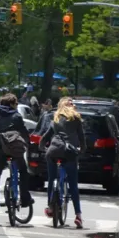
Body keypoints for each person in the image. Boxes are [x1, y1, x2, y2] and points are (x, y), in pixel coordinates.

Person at [0, 93, 33, 224]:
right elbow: (23, 133)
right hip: (15, 152)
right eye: (16, 104)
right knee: (23, 171)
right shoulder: (16, 116)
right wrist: (26, 144)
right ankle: (25, 198)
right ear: (11, 104)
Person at [41, 96, 86, 228]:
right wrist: (82, 150)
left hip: (53, 151)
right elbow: (82, 138)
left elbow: (45, 137)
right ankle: (78, 215)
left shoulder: (55, 118)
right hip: (69, 152)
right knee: (73, 185)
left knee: (51, 179)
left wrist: (43, 148)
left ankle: (50, 206)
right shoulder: (76, 119)